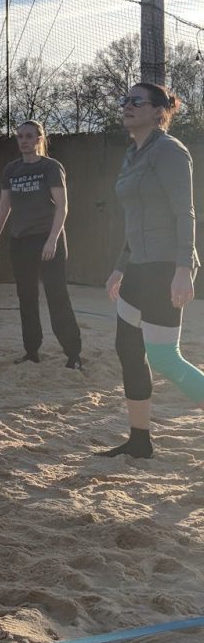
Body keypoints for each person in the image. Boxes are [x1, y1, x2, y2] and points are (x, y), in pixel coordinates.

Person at [98, 82, 204, 460]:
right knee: (127, 348)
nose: (127, 105)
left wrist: (183, 268)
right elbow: (134, 219)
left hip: (165, 266)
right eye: (124, 100)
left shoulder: (170, 151)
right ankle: (139, 441)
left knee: (164, 359)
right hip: (137, 267)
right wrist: (119, 268)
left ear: (159, 112)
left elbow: (185, 213)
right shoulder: (133, 154)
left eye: (136, 101)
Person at [0, 120, 83, 370]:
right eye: (20, 136)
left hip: (47, 239)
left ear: (40, 139)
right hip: (20, 241)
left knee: (56, 295)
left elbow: (62, 207)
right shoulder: (11, 170)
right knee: (26, 296)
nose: (24, 141)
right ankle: (31, 351)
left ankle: (73, 354)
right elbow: (3, 206)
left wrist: (52, 240)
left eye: (29, 136)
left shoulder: (50, 167)